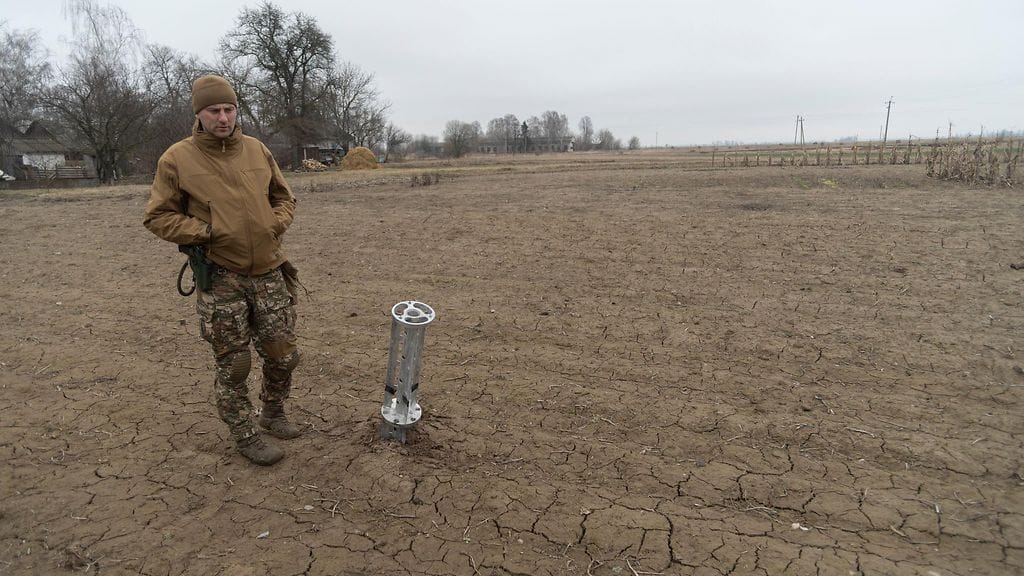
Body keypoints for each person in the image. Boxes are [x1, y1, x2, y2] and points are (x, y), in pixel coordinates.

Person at [144, 74, 302, 466]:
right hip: (221, 276)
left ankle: (273, 412)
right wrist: (207, 232)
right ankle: (245, 434)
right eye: (214, 110)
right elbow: (158, 216)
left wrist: (273, 223)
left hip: (269, 270)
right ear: (199, 113)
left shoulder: (256, 150)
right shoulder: (177, 158)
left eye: (229, 109)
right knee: (235, 362)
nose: (223, 117)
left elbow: (284, 198)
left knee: (283, 355)